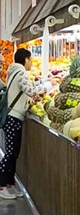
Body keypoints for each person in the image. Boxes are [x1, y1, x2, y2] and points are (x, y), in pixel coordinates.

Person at [0, 49, 49, 199]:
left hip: (14, 117)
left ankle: (10, 185)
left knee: (14, 153)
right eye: (31, 59)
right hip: (13, 117)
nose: (32, 62)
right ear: (26, 59)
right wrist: (47, 86)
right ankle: (2, 186)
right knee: (10, 153)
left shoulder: (14, 71)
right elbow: (30, 90)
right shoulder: (21, 73)